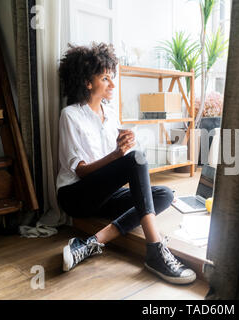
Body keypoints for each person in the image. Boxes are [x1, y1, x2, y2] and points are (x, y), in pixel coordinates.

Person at [56, 42, 196, 285]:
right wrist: (117, 156)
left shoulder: (110, 115)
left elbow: (122, 161)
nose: (112, 84)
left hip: (105, 196)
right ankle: (155, 249)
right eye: (105, 78)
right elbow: (80, 170)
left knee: (165, 194)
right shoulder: (71, 115)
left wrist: (125, 146)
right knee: (137, 158)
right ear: (88, 83)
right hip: (76, 195)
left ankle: (92, 242)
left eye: (112, 78)